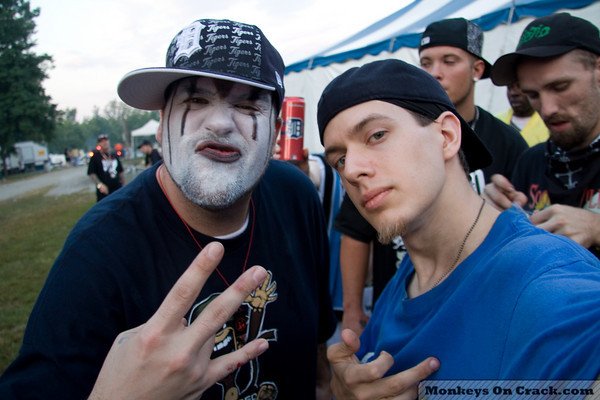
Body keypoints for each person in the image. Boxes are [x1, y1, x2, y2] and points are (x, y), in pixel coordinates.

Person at [0, 18, 336, 399]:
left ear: (276, 131)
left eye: (246, 105)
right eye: (196, 100)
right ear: (161, 125)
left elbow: (318, 350)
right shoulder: (96, 254)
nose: (220, 123)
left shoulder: (297, 198)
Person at [317, 59, 600, 397]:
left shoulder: (545, 284)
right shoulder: (406, 281)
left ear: (447, 136)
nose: (352, 170)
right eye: (340, 159)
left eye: (376, 135)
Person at [486, 12, 600, 258]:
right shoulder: (531, 162)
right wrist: (494, 219)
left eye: (560, 87)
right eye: (533, 95)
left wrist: (595, 227)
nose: (547, 110)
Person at [497, 81, 549, 146]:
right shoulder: (496, 122)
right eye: (509, 87)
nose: (513, 93)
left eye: (520, 87)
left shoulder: (549, 124)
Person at [87, 133, 125, 202]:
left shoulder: (114, 155)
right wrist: (100, 185)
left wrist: (123, 184)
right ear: (99, 144)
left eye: (106, 140)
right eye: (102, 141)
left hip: (117, 188)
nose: (105, 142)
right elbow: (91, 173)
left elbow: (120, 171)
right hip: (104, 192)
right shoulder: (95, 156)